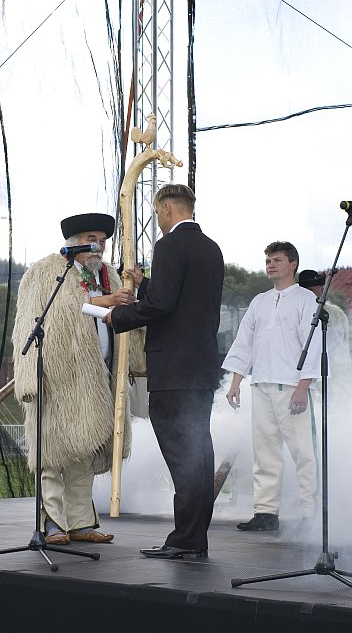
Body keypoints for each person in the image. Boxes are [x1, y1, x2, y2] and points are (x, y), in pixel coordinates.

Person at [104, 184, 224, 560]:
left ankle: (186, 540)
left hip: (173, 369)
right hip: (201, 367)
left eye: (158, 213)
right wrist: (145, 284)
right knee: (199, 452)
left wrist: (117, 317)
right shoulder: (211, 248)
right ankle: (194, 537)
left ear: (169, 208)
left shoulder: (169, 246)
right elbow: (182, 300)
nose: (158, 220)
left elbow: (162, 305)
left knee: (183, 455)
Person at [12, 212, 143, 545]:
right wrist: (28, 379)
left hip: (97, 379)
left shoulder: (111, 276)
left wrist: (130, 300)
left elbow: (128, 318)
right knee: (53, 453)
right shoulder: (44, 273)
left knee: (82, 452)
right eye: (89, 237)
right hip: (57, 379)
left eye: (101, 238)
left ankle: (81, 522)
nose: (96, 244)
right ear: (72, 242)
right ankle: (52, 523)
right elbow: (34, 321)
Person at [223, 242, 321, 532]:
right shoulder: (260, 301)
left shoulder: (306, 300)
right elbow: (245, 343)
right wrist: (236, 381)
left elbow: (312, 346)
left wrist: (304, 387)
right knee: (264, 451)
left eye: (277, 260)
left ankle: (311, 514)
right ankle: (266, 513)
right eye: (267, 260)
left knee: (304, 452)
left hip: (292, 387)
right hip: (262, 383)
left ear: (293, 264)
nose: (270, 265)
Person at [298, 269, 352, 405]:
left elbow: (341, 352)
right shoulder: (297, 313)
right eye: (317, 288)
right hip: (309, 379)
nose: (322, 291)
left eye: (321, 288)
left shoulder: (335, 315)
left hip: (330, 378)